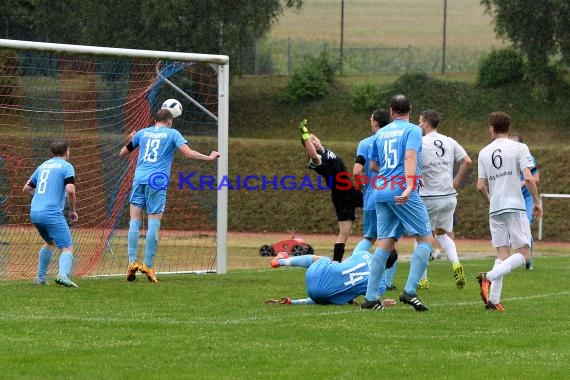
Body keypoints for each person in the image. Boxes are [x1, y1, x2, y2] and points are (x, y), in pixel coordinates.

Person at [119, 107, 220, 283]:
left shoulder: (142, 133)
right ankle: (147, 265)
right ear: (170, 121)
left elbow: (122, 153)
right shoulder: (173, 133)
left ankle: (131, 262)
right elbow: (188, 153)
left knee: (134, 222)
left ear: (155, 120)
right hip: (156, 181)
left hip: (139, 178)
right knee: (154, 223)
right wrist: (209, 157)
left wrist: (130, 139)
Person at [362, 94, 434, 311]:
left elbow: (373, 165)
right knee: (426, 239)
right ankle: (410, 291)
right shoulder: (413, 130)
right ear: (410, 109)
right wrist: (410, 184)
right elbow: (410, 157)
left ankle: (370, 298)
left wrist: (389, 171)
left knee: (385, 242)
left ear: (391, 111)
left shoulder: (381, 133)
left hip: (381, 191)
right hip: (402, 190)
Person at [476, 112, 542, 311]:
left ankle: (493, 300)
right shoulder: (520, 147)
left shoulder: (484, 152)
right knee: (525, 254)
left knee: (502, 254)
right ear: (509, 127)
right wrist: (537, 201)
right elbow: (529, 178)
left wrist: (491, 201)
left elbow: (480, 186)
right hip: (515, 206)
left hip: (495, 209)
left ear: (491, 129)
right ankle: (488, 277)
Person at [417, 109, 472, 289]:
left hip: (429, 197)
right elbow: (467, 161)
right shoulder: (449, 141)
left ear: (426, 123)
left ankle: (423, 280)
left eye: (420, 122)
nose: (418, 125)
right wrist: (456, 181)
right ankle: (456, 263)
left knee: (422, 238)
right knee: (442, 234)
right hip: (449, 196)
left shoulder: (420, 142)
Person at [299, 119, 362, 263]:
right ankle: (335, 263)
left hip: (350, 191)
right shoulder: (316, 158)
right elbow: (314, 155)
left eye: (314, 138)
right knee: (345, 232)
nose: (313, 141)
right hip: (341, 196)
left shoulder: (326, 151)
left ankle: (387, 241)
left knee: (376, 203)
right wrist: (305, 135)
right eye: (310, 141)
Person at [352, 108, 399, 290]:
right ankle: (387, 282)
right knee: (391, 240)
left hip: (372, 198)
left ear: (375, 123)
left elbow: (357, 171)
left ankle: (352, 266)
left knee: (369, 238)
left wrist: (362, 186)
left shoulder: (365, 143)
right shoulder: (395, 142)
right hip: (393, 196)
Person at [23, 140, 79, 287]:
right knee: (67, 246)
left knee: (50, 242)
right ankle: (63, 275)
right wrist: (72, 210)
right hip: (51, 213)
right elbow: (71, 191)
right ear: (67, 151)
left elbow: (26, 188)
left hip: (35, 212)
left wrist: (41, 196)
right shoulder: (67, 167)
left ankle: (40, 279)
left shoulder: (43, 166)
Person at [265, 249, 398, 307]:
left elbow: (342, 268)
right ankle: (294, 302)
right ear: (389, 266)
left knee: (326, 260)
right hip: (322, 295)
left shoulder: (364, 254)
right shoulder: (381, 284)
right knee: (335, 294)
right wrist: (381, 303)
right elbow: (371, 302)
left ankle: (282, 261)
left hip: (315, 274)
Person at [509, 133, 539, 270]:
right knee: (511, 229)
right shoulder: (505, 158)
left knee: (525, 226)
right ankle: (509, 259)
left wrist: (522, 183)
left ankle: (528, 260)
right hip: (510, 197)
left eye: (515, 143)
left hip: (525, 198)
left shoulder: (528, 157)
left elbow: (535, 178)